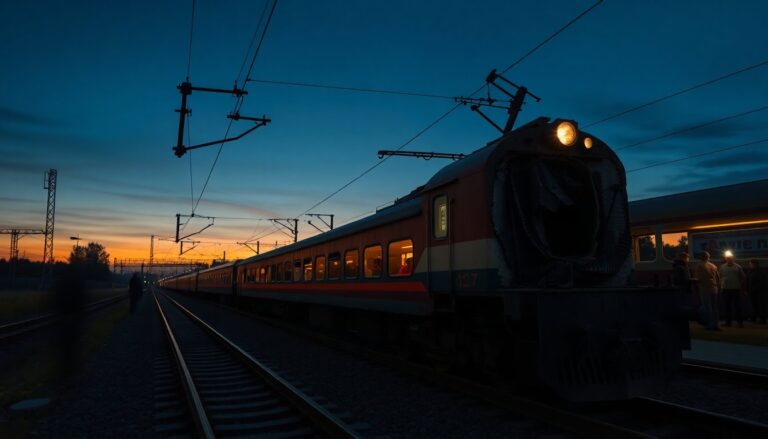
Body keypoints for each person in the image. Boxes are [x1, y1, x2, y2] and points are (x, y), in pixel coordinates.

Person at [695, 251, 720, 331]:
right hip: (714, 287)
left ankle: (709, 325)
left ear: (701, 257)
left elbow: (698, 278)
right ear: (708, 257)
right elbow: (718, 278)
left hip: (705, 288)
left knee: (707, 307)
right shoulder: (713, 266)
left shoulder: (700, 265)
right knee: (714, 307)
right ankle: (716, 324)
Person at [719, 252, 745, 327]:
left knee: (737, 306)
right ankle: (728, 322)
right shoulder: (722, 267)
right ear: (725, 259)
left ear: (732, 258)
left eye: (730, 258)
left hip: (735, 289)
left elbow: (743, 277)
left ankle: (740, 322)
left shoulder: (738, 267)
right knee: (727, 306)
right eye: (727, 258)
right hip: (725, 289)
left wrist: (739, 284)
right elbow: (719, 277)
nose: (729, 259)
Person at [747, 259, 766, 324]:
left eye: (751, 264)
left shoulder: (760, 272)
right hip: (752, 292)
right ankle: (754, 317)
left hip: (759, 292)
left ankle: (762, 319)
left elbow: (762, 282)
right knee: (754, 305)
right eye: (749, 264)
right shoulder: (750, 272)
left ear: (755, 264)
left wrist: (754, 289)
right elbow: (748, 281)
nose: (750, 265)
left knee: (761, 306)